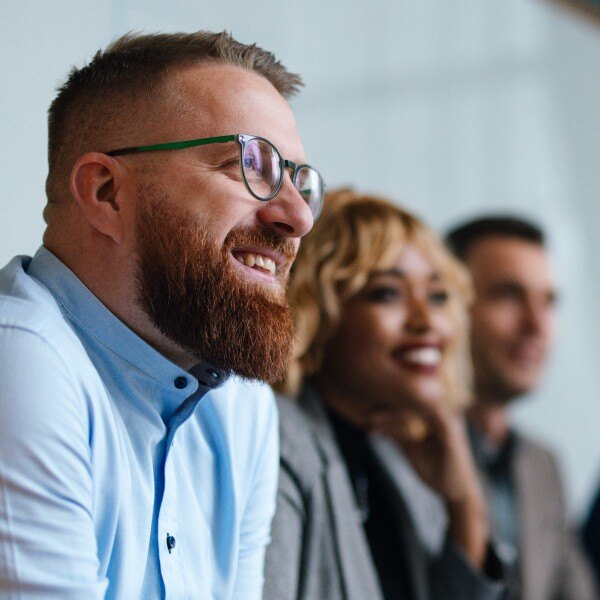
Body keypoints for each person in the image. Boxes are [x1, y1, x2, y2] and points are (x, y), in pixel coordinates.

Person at [0, 31, 324, 599]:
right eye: (249, 166)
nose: (297, 217)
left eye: (299, 182)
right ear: (105, 193)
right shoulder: (17, 359)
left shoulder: (242, 406)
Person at [264, 189, 506, 600]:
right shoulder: (278, 443)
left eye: (437, 295)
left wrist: (465, 503)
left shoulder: (400, 455)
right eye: (387, 293)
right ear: (319, 314)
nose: (426, 320)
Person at [447, 215, 598, 600]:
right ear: (446, 303)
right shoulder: (405, 449)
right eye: (508, 294)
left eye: (548, 301)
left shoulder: (543, 465)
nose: (537, 324)